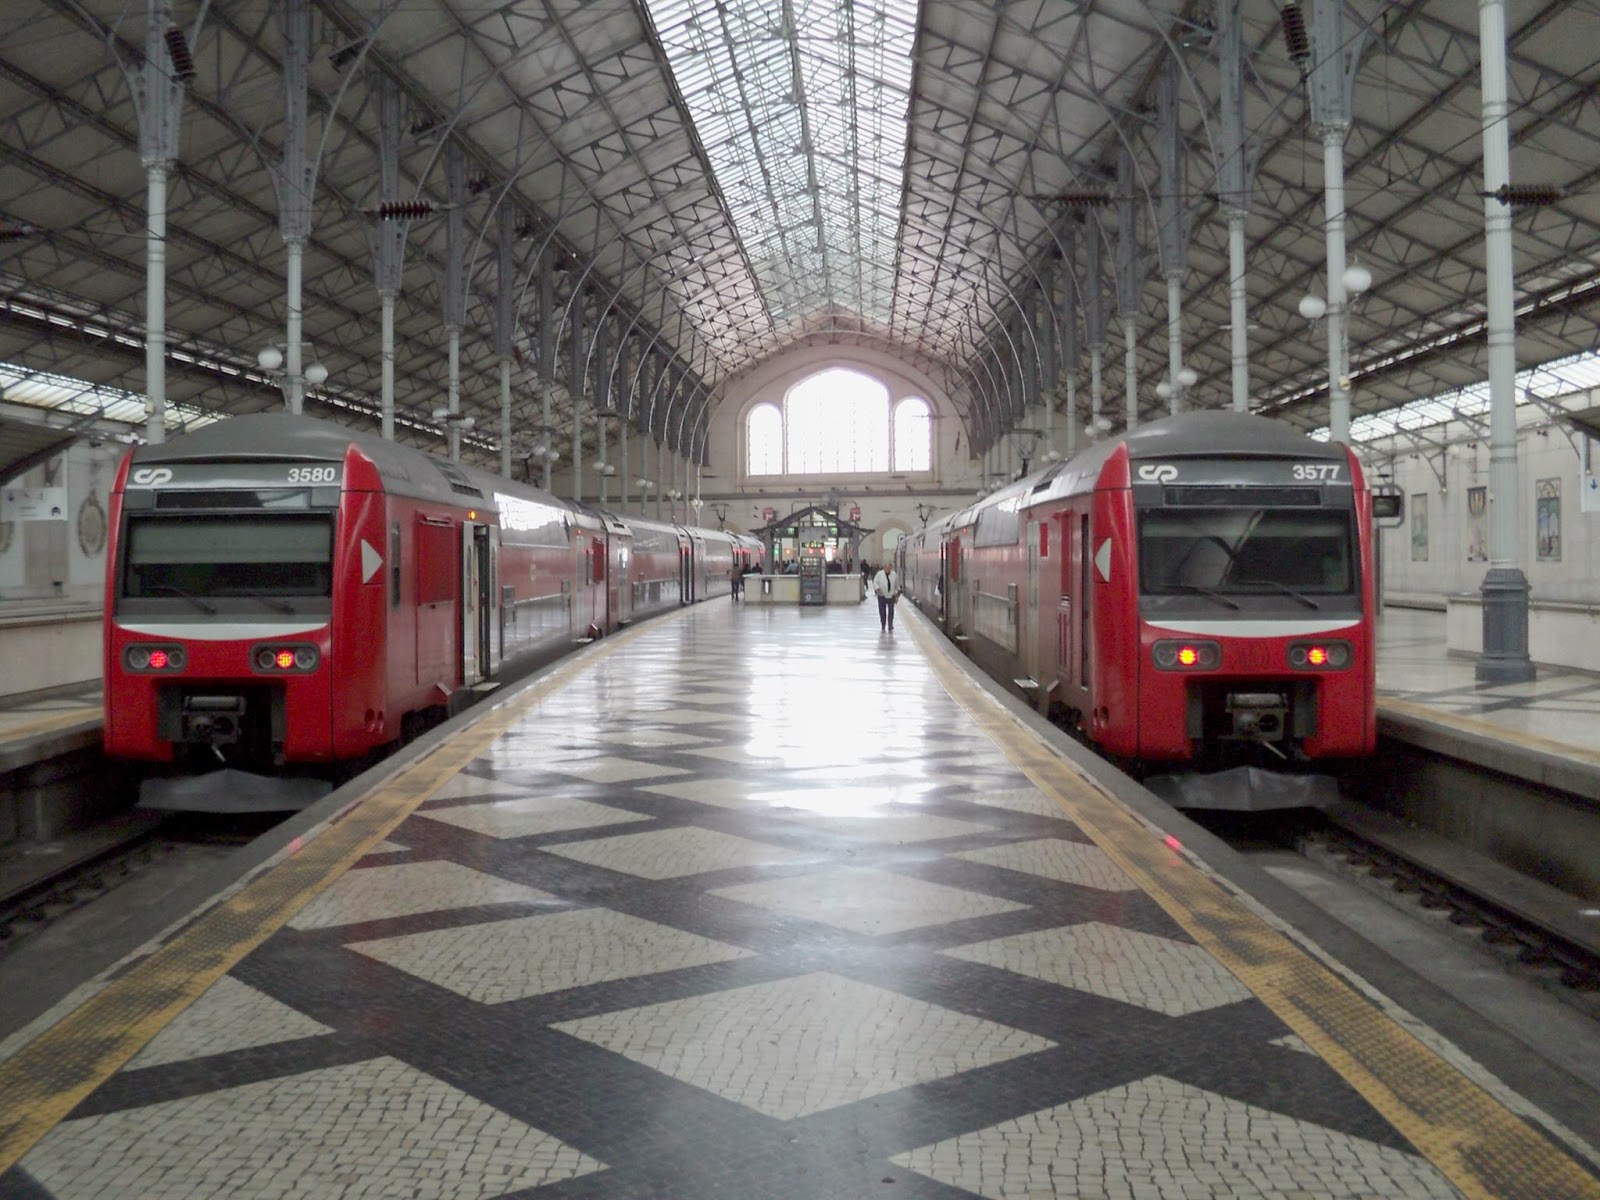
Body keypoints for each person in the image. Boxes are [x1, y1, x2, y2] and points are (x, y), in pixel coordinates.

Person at [872, 563, 899, 632]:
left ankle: (890, 625)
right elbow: (875, 582)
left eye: (889, 568)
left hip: (891, 595)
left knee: (891, 611)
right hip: (882, 596)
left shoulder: (894, 575)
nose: (887, 569)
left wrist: (897, 593)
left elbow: (897, 585)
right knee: (882, 611)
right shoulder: (879, 574)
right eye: (886, 568)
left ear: (891, 568)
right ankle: (883, 625)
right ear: (884, 568)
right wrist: (878, 589)